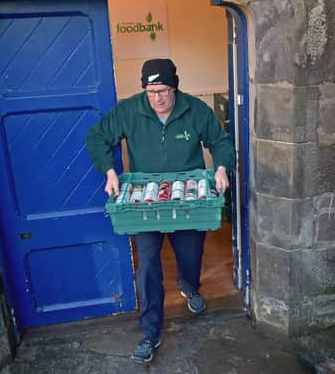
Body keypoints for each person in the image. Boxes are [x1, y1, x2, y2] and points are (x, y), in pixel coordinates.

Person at [86, 58, 235, 364]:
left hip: (189, 201)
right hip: (146, 205)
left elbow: (221, 141)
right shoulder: (130, 110)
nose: (157, 98)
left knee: (191, 254)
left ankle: (189, 287)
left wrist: (221, 167)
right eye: (151, 91)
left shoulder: (195, 110)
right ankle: (150, 332)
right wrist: (110, 172)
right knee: (149, 265)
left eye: (163, 90)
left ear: (175, 87)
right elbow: (97, 136)